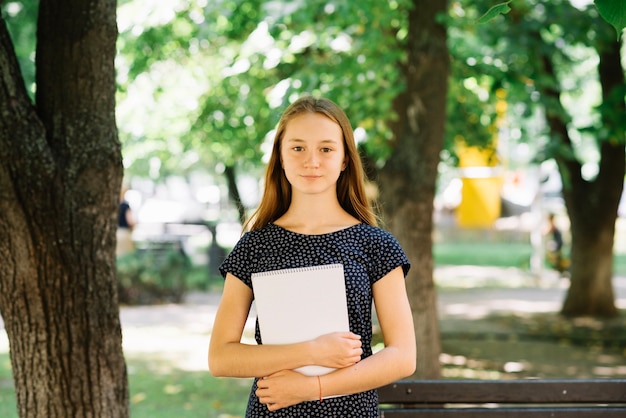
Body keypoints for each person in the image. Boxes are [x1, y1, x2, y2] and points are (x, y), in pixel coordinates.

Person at [208, 96, 416, 417]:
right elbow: (220, 357)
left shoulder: (376, 244)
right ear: (280, 156)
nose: (312, 161)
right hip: (273, 410)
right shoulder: (254, 245)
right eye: (298, 148)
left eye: (326, 149)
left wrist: (312, 389)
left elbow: (403, 355)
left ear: (345, 159)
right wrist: (313, 351)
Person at [116, 186, 136, 256]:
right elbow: (131, 221)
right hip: (124, 234)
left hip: (116, 234)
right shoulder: (125, 206)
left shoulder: (113, 205)